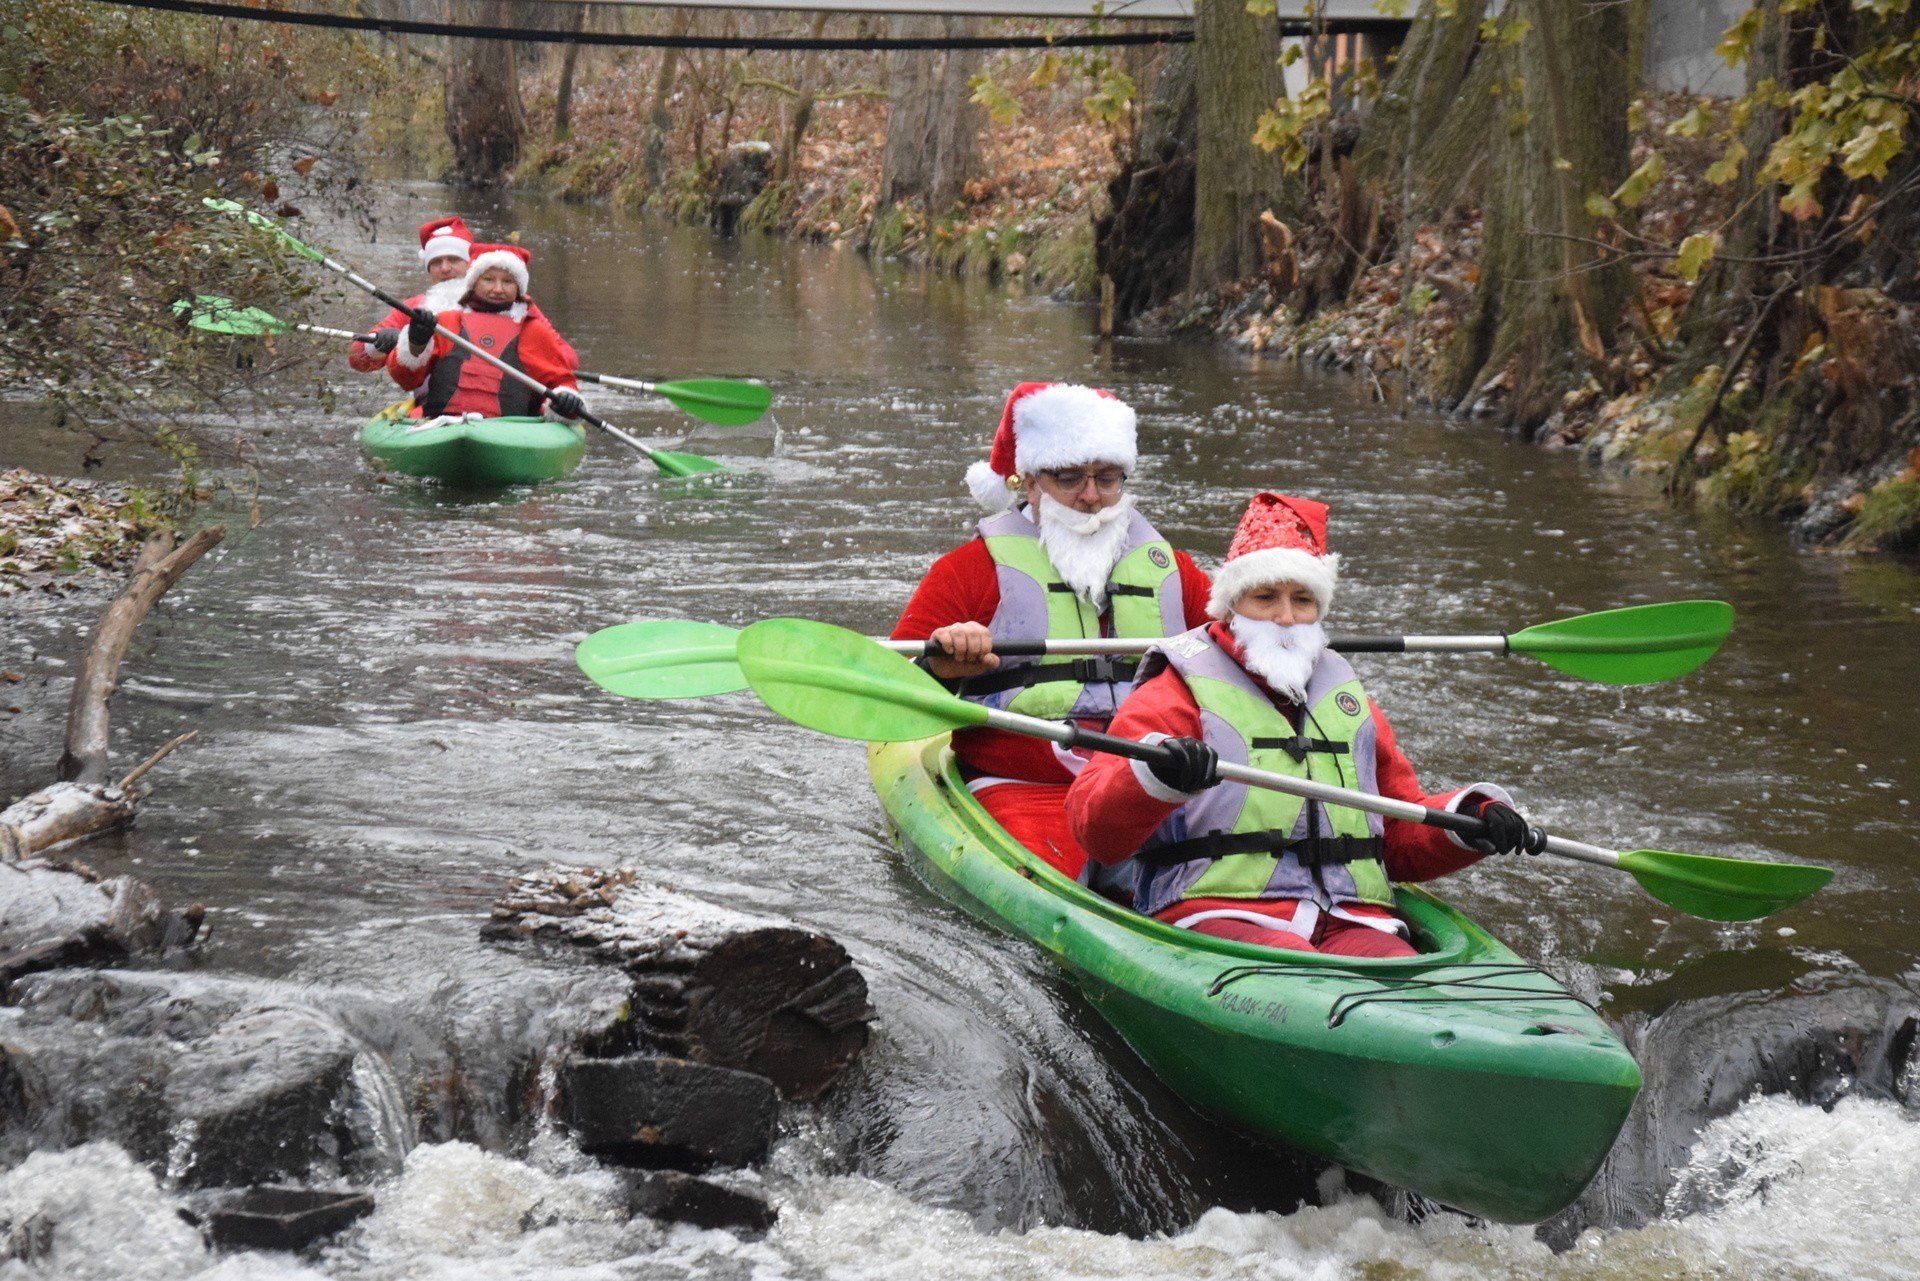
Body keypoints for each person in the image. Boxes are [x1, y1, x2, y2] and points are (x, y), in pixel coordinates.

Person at [1064, 491, 1542, 957]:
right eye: (1266, 597)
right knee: (1300, 961)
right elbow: (1096, 832)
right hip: (1214, 910)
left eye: (1303, 600)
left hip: (1348, 916)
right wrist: (1155, 776)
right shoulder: (1176, 691)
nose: (1287, 618)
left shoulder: (1350, 702)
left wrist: (1468, 823)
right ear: (1230, 607)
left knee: (1395, 965)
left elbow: (1396, 837)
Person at [891, 382, 1213, 880]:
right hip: (1024, 785)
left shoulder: (1175, 572)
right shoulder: (970, 571)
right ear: (1031, 483)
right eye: (1069, 478)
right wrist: (938, 667)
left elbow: (1237, 674)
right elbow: (890, 696)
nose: (1090, 497)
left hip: (1151, 789)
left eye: (1107, 478)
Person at [386, 243, 585, 422]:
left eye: (507, 282)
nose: (498, 289)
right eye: (488, 280)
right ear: (473, 284)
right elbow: (406, 379)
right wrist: (415, 344)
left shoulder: (533, 331)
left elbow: (561, 381)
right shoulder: (447, 322)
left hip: (511, 430)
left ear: (519, 288)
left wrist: (565, 400)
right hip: (441, 423)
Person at [347, 216, 474, 373]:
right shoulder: (415, 309)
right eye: (436, 262)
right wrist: (378, 345)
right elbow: (357, 359)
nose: (445, 268)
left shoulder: (499, 301)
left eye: (454, 260)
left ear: (472, 264)